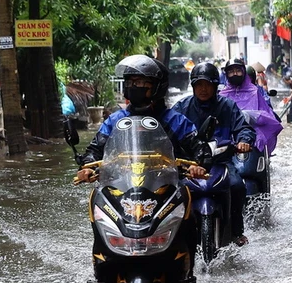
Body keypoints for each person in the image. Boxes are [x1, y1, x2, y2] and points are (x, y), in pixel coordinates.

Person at [76, 55, 210, 181]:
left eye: (140, 82)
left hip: (167, 185)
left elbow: (200, 149)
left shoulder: (175, 121)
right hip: (123, 185)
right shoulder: (115, 120)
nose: (134, 86)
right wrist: (88, 167)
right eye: (130, 82)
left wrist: (197, 166)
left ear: (157, 86)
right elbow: (94, 151)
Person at [172, 61, 256, 246]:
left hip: (221, 163)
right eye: (199, 85)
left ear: (216, 86)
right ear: (193, 86)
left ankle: (236, 231)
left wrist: (244, 141)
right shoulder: (181, 108)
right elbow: (166, 131)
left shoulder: (228, 106)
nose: (203, 89)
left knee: (237, 186)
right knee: (172, 191)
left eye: (208, 85)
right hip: (189, 165)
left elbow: (243, 128)